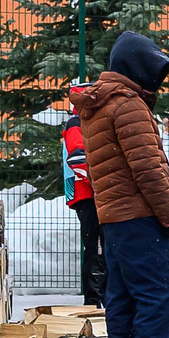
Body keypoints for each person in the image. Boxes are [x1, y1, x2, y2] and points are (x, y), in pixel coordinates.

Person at [71, 31, 169, 338]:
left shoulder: (98, 102)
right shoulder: (128, 104)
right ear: (137, 69)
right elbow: (148, 169)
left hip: (113, 215)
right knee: (158, 288)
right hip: (138, 214)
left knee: (122, 291)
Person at [59, 84, 107, 308]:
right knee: (96, 248)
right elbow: (78, 158)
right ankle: (95, 299)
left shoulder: (80, 122)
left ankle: (99, 297)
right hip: (89, 194)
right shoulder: (78, 123)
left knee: (98, 247)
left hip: (87, 192)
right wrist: (102, 182)